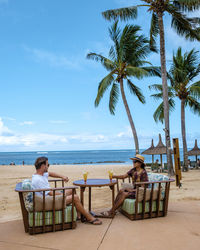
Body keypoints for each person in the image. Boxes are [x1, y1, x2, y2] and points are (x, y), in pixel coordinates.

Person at [32, 157, 102, 225]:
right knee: (75, 197)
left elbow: (50, 173)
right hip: (47, 202)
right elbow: (50, 193)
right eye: (48, 165)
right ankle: (89, 218)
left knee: (72, 190)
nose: (48, 166)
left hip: (48, 198)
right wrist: (63, 194)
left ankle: (79, 215)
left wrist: (63, 176)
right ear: (43, 166)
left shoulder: (41, 174)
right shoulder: (38, 179)